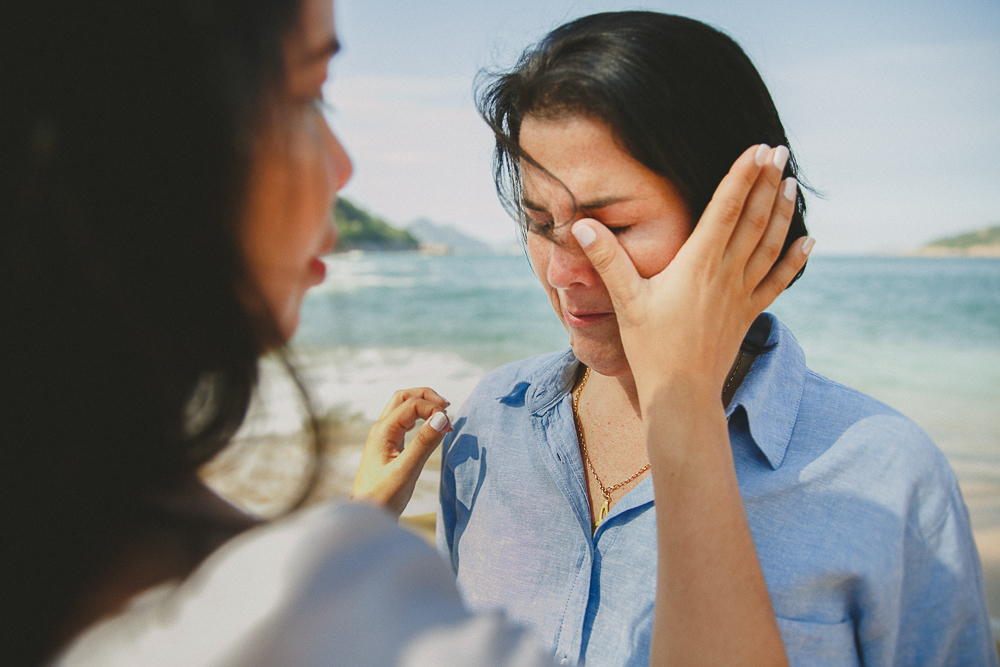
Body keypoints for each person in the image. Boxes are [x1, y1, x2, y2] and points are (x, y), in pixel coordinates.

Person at [1, 1, 804, 666]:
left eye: (609, 224)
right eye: (309, 90)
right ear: (149, 146)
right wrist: (683, 396)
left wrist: (348, 536)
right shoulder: (319, 598)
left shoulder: (63, 536)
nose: (346, 165)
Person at [437, 11, 997, 667]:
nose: (562, 273)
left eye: (609, 225)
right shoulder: (486, 424)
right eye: (540, 223)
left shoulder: (890, 475)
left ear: (745, 216)